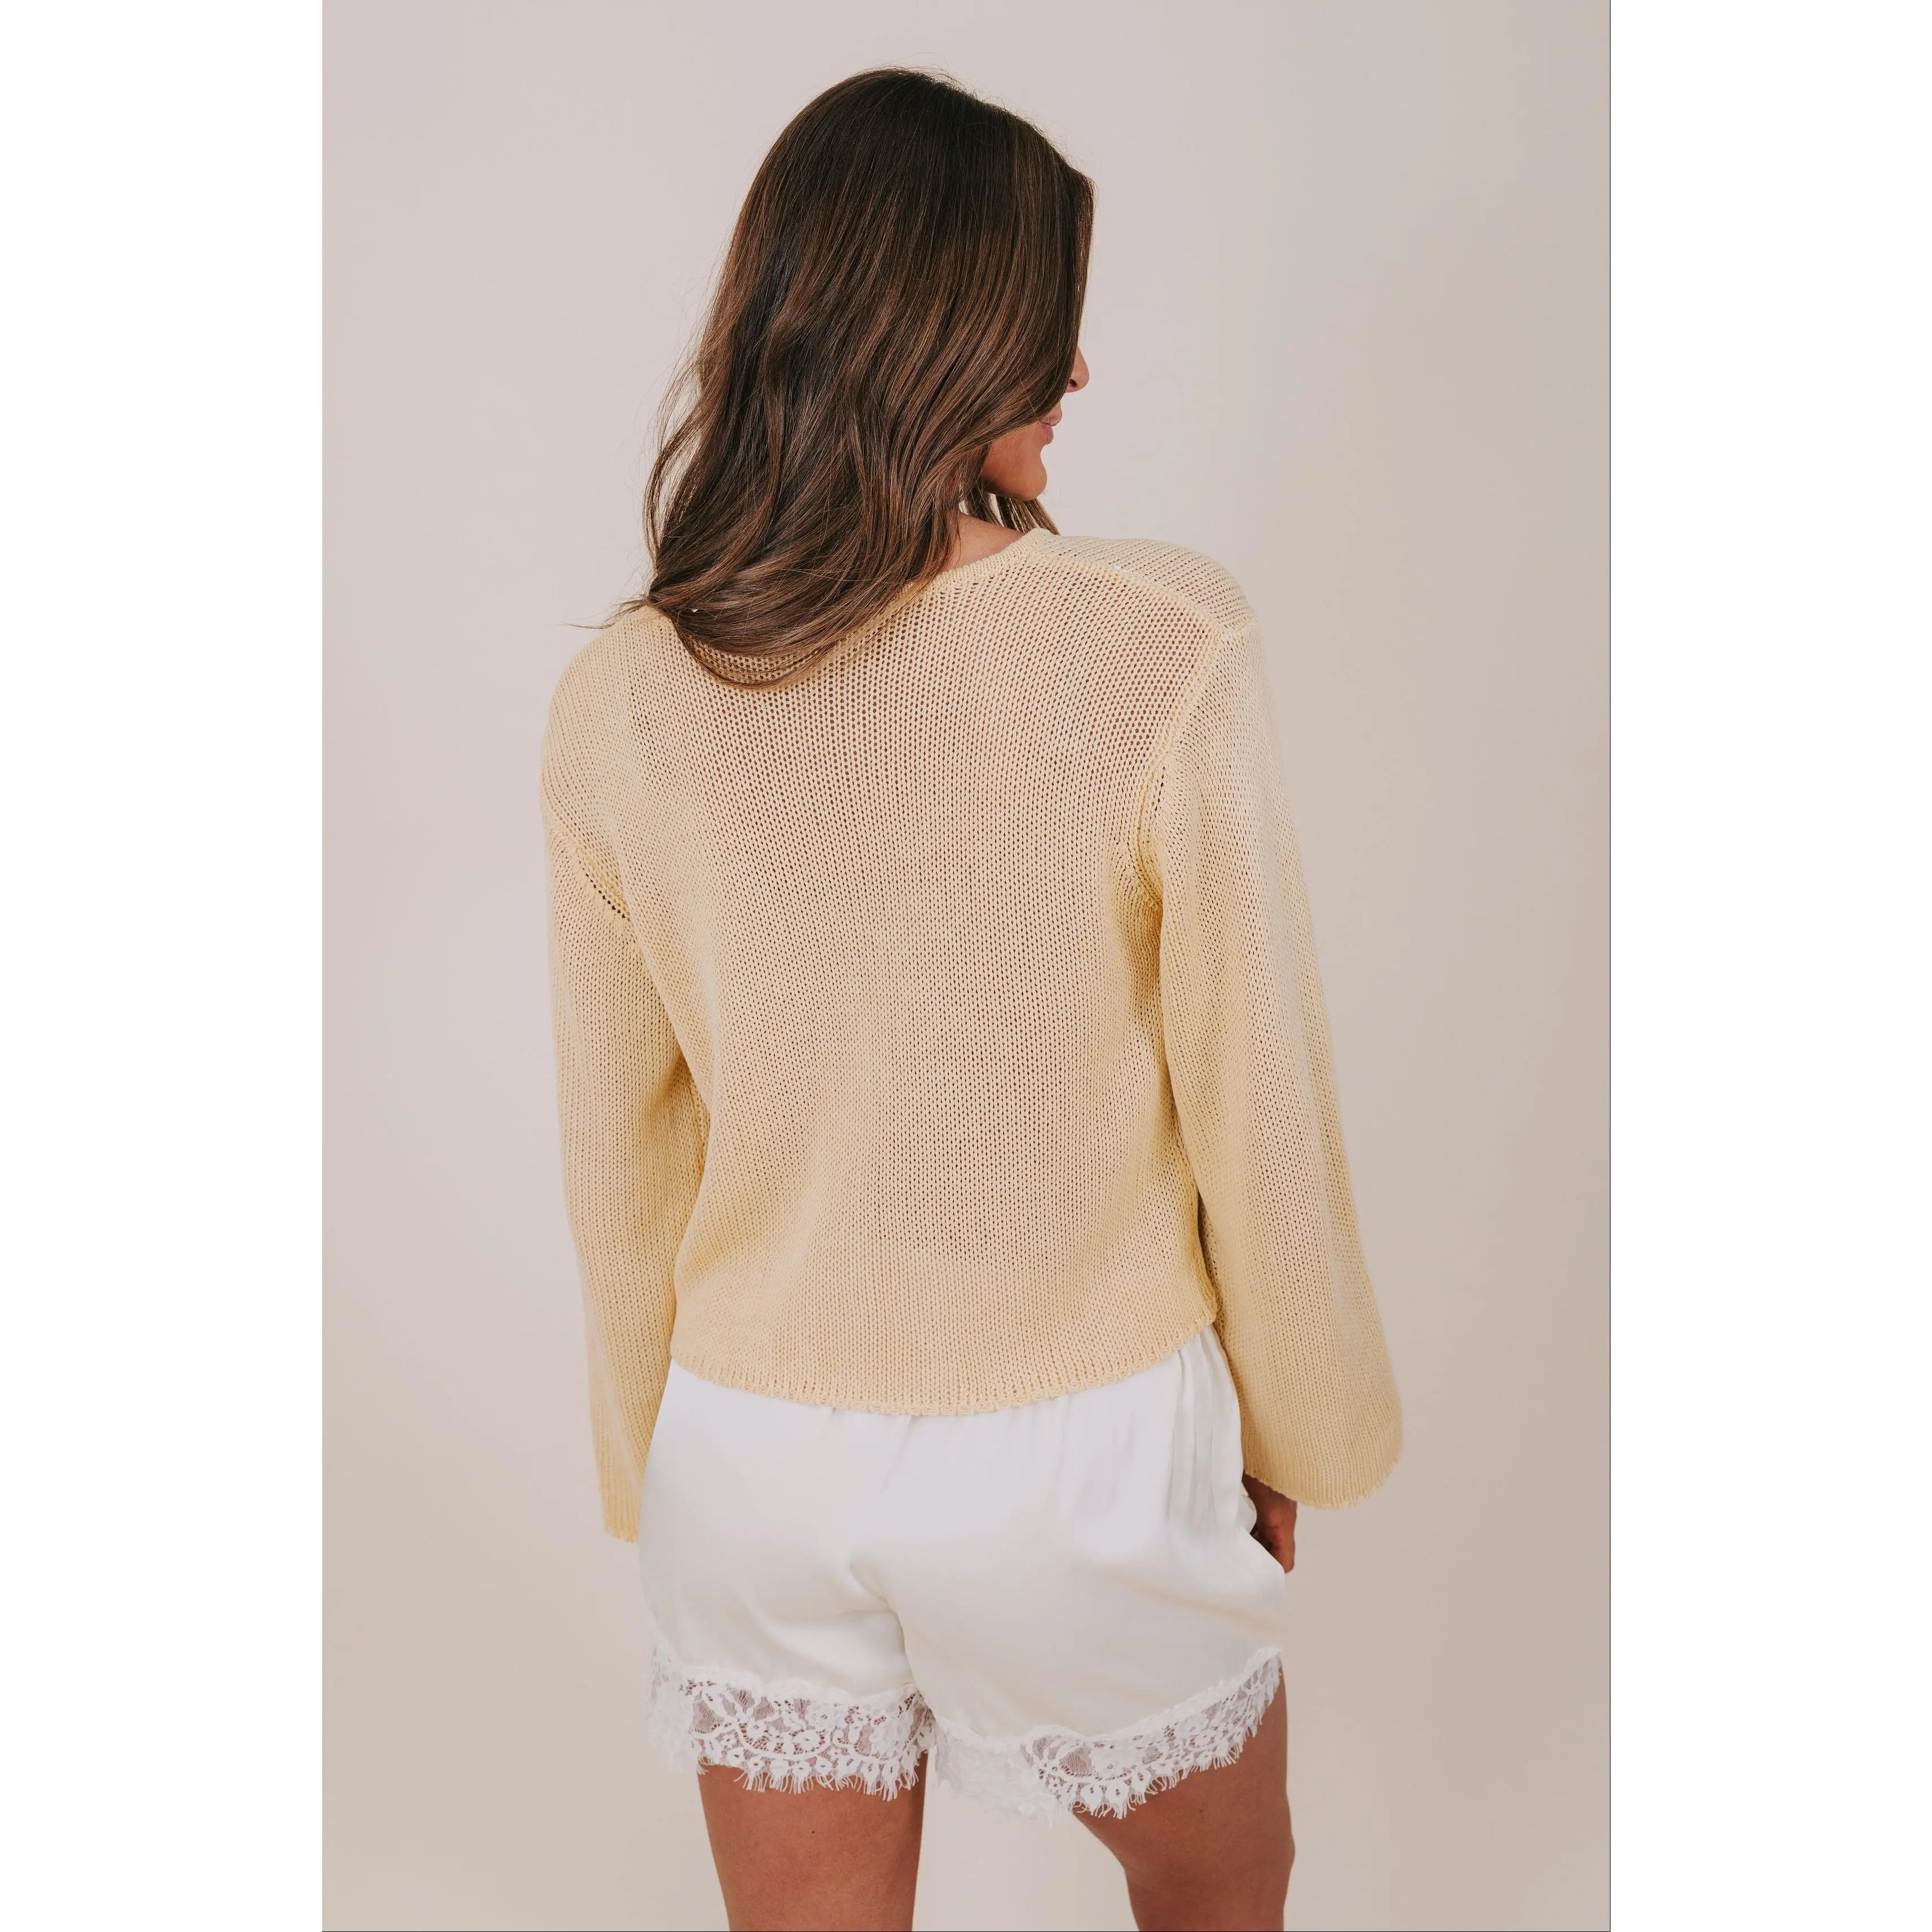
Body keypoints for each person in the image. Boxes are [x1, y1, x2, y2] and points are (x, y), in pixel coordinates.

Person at [541, 67, 1401, 1932]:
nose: (1077, 370)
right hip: (1075, 1441)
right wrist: (1296, 1425)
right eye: (1045, 324)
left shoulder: (620, 696)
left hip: (752, 1451)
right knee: (1225, 1899)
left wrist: (655, 1460)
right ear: (936, 333)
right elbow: (1255, 1088)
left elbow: (623, 1149)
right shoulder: (1159, 636)